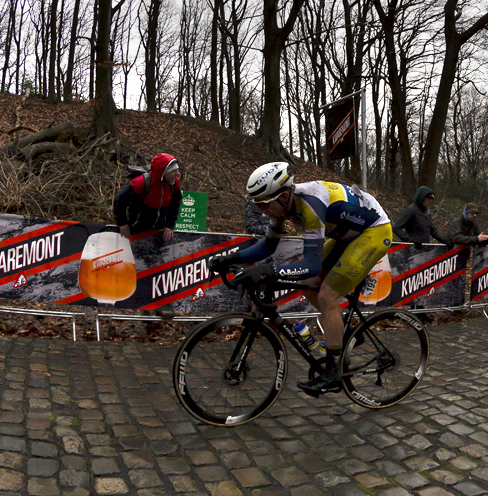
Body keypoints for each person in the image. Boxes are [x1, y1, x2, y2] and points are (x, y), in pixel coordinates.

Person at [209, 164, 393, 395]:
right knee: (307, 285)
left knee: (327, 296)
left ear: (284, 196)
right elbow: (267, 246)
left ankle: (334, 371)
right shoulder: (283, 207)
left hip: (373, 231)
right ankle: (346, 334)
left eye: (264, 205)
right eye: (257, 205)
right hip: (346, 234)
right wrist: (229, 259)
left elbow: (310, 265)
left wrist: (267, 271)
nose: (262, 210)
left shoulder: (310, 204)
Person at [114, 154, 181, 243]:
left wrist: (169, 225)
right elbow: (119, 200)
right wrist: (122, 223)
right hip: (136, 227)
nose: (178, 174)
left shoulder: (173, 183)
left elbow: (175, 205)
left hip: (159, 230)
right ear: (163, 172)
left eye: (177, 170)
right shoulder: (141, 183)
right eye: (174, 171)